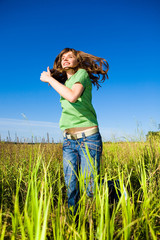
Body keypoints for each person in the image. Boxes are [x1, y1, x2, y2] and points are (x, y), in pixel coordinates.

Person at [40, 48, 109, 215]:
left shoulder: (82, 74)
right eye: (63, 58)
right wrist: (53, 80)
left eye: (70, 57)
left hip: (88, 138)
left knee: (90, 186)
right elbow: (66, 93)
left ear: (77, 61)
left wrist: (50, 80)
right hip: (68, 141)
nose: (65, 59)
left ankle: (93, 222)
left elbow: (72, 96)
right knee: (71, 185)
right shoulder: (65, 84)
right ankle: (74, 223)